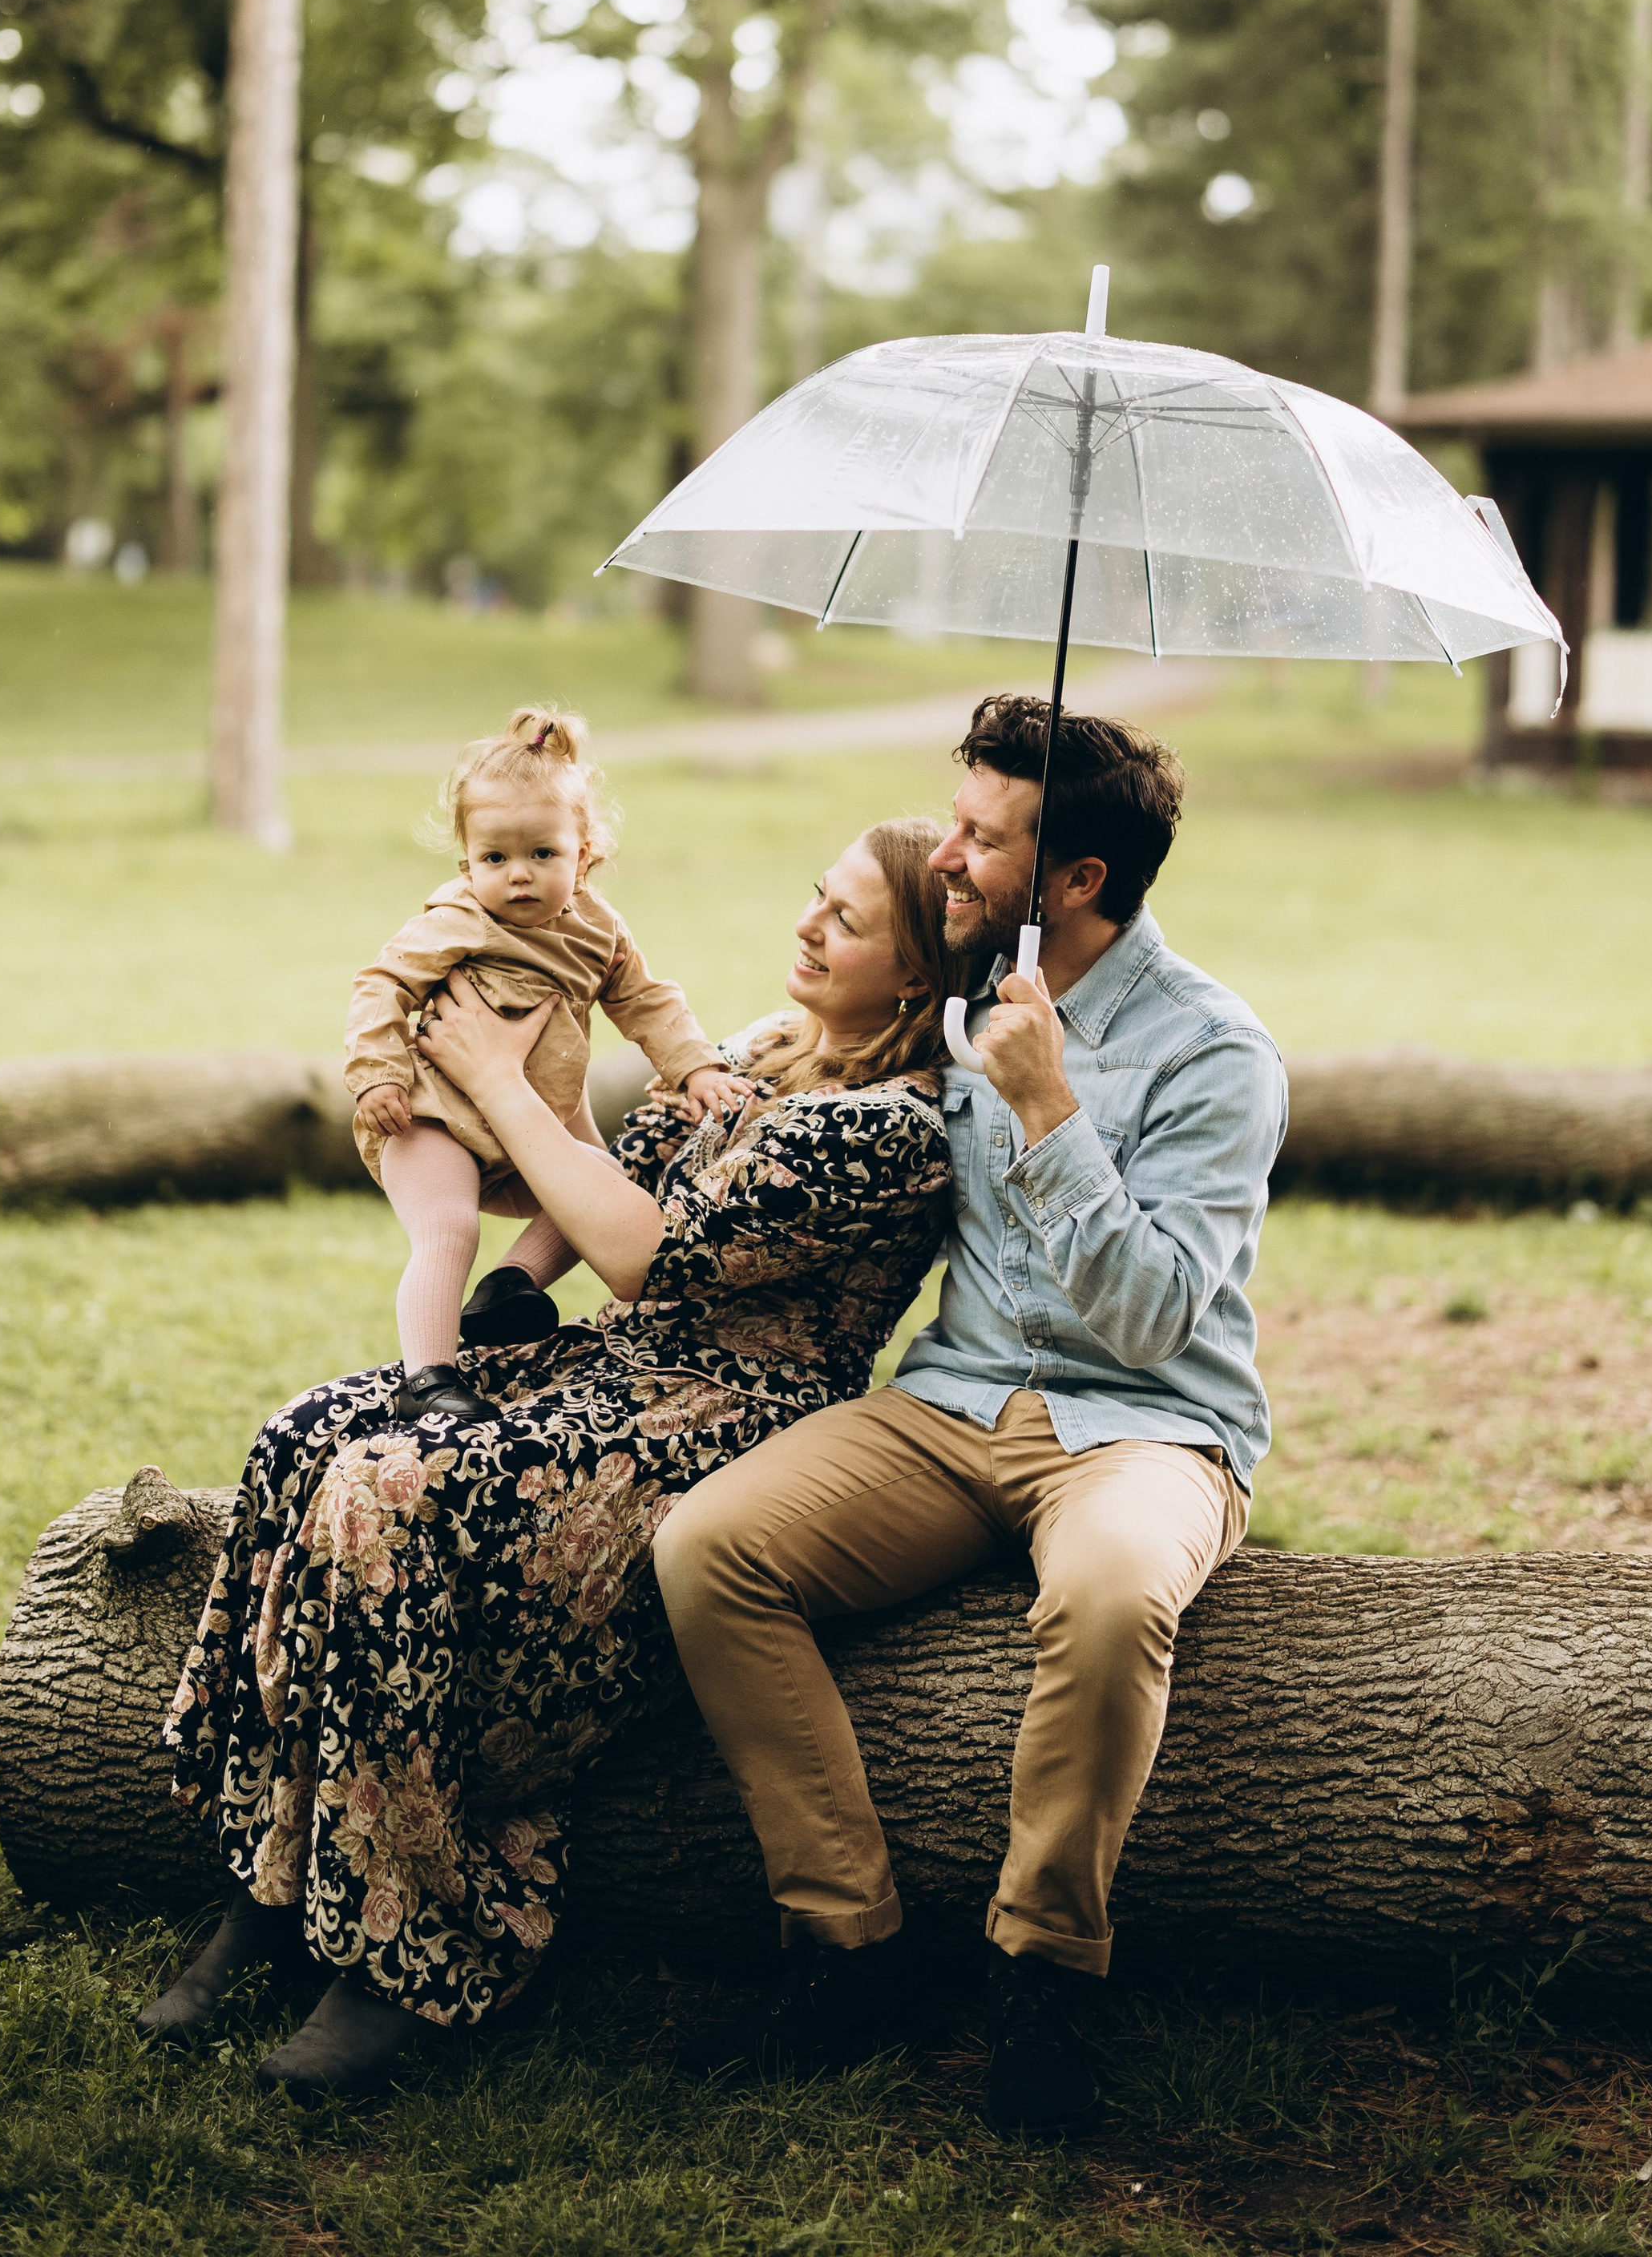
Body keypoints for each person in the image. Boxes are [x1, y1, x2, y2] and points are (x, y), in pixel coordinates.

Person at [142, 818, 955, 2098]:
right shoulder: (764, 1048)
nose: (807, 923)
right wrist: (508, 1290)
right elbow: (608, 1175)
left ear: (916, 976)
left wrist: (495, 1071)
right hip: (609, 1365)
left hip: (723, 1416)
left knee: (391, 1492)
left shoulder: (896, 1129)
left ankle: (413, 1951)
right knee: (312, 1432)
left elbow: (647, 1250)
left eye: (847, 921)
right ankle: (277, 1872)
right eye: (818, 896)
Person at [655, 693, 1287, 2139]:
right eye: (956, 822)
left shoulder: (1216, 1053)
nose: (947, 856)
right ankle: (846, 1941)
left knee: (1117, 1596)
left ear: (1079, 881)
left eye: (983, 837)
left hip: (1150, 1425)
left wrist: (1052, 1108)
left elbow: (1151, 1316)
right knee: (711, 1549)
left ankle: (1042, 1968)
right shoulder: (959, 988)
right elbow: (826, 1039)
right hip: (950, 1401)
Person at [344, 705, 747, 1423]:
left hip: (525, 1125)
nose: (518, 876)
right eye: (495, 859)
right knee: (448, 1228)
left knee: (600, 1185)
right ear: (467, 863)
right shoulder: (461, 918)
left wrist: (695, 1069)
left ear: (584, 854)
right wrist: (378, 1072)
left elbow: (648, 1002)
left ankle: (510, 1286)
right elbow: (381, 984)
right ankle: (428, 1378)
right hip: (431, 1118)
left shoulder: (599, 929)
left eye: (542, 855)